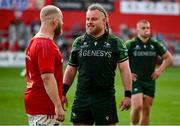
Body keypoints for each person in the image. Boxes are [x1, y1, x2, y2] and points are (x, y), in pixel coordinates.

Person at [62, 3, 132, 125]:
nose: (89, 22)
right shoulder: (79, 42)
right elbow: (71, 69)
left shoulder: (116, 43)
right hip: (82, 98)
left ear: (104, 21)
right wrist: (63, 92)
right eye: (87, 19)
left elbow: (125, 70)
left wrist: (128, 95)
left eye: (94, 19)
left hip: (105, 99)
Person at [124, 19, 173, 125]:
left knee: (146, 110)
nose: (146, 30)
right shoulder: (130, 44)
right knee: (137, 106)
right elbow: (119, 60)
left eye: (148, 28)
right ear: (137, 30)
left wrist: (159, 71)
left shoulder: (155, 44)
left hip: (150, 81)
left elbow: (168, 58)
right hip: (136, 80)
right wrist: (128, 73)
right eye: (143, 28)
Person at [24, 5, 65, 125]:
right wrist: (57, 106)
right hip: (45, 106)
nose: (62, 23)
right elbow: (47, 78)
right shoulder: (46, 45)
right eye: (61, 20)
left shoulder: (33, 41)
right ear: (55, 21)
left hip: (34, 102)